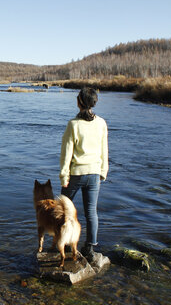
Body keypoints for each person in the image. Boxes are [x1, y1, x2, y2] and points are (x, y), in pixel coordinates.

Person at [59, 87, 108, 262]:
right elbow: (104, 150)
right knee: (91, 212)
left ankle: (62, 244)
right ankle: (89, 248)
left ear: (80, 102)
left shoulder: (73, 124)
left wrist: (64, 176)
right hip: (94, 173)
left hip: (76, 174)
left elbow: (66, 154)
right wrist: (103, 171)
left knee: (63, 210)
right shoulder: (101, 123)